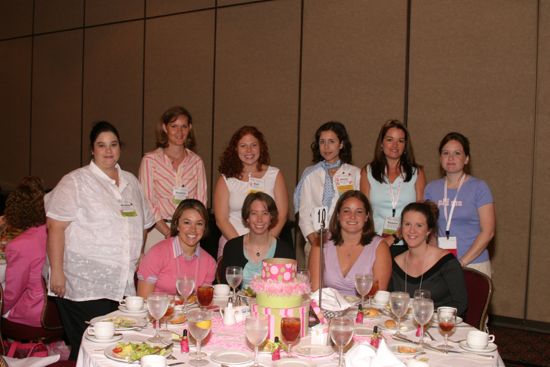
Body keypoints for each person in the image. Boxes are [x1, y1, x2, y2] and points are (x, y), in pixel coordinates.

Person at [46, 121, 155, 360]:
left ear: (120, 148)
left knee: (115, 349)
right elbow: (55, 226)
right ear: (92, 150)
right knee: (89, 349)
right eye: (101, 145)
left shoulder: (131, 182)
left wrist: (137, 254)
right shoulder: (75, 181)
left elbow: (144, 223)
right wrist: (56, 271)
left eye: (113, 144)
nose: (108, 150)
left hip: (121, 284)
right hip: (85, 283)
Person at [424, 132, 495, 277]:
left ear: (467, 159)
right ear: (440, 158)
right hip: (441, 265)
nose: (450, 158)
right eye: (446, 153)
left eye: (457, 153)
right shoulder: (431, 189)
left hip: (473, 265)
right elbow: (429, 230)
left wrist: (461, 263)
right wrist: (437, 260)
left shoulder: (479, 187)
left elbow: (488, 232)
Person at [139, 106, 207, 253]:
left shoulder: (196, 162)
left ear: (189, 128)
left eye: (184, 126)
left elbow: (201, 203)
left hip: (189, 233)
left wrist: (187, 229)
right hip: (157, 232)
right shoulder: (150, 161)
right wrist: (167, 232)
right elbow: (148, 201)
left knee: (187, 275)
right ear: (164, 128)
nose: (179, 132)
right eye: (174, 126)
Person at [213, 126, 288, 258]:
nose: (249, 150)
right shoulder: (226, 179)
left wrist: (266, 244)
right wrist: (241, 246)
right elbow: (221, 219)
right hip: (232, 243)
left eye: (253, 145)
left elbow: (281, 215)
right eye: (243, 145)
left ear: (261, 147)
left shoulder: (275, 175)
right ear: (236, 149)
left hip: (268, 246)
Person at [296, 121, 361, 262]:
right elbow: (304, 212)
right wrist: (314, 241)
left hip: (346, 244)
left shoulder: (355, 174)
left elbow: (360, 211)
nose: (326, 147)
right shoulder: (310, 174)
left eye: (331, 141)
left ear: (341, 144)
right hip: (315, 242)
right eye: (322, 142)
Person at [360, 120, 426, 257]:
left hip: (409, 244)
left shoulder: (417, 173)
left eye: (400, 141)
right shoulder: (367, 172)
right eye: (390, 139)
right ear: (381, 143)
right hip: (375, 244)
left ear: (405, 146)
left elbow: (420, 214)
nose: (395, 145)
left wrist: (396, 235)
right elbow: (363, 212)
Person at [389, 201, 467, 316]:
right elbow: (392, 301)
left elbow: (460, 304)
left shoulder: (447, 262)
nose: (411, 230)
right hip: (406, 327)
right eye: (407, 224)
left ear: (429, 230)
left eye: (419, 225)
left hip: (439, 327)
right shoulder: (396, 262)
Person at [309, 190, 392, 296]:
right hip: (328, 309)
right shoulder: (320, 242)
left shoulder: (380, 247)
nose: (352, 216)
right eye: (346, 211)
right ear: (338, 215)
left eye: (359, 212)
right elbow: (316, 292)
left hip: (365, 310)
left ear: (367, 217)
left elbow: (378, 297)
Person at [137, 199, 216, 297]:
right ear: (177, 225)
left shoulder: (209, 263)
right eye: (187, 222)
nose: (193, 229)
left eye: (199, 224)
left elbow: (203, 303)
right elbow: (143, 300)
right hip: (158, 311)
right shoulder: (157, 254)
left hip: (191, 312)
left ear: (204, 228)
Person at [220, 192, 295, 289]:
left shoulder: (284, 251)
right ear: (247, 218)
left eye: (265, 213)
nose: (259, 219)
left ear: (271, 217)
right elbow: (226, 289)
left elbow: (289, 290)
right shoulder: (232, 247)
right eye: (254, 213)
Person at [2, 177, 46, 327]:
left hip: (33, 312)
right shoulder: (52, 232)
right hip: (56, 311)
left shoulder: (19, 245)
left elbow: (12, 293)